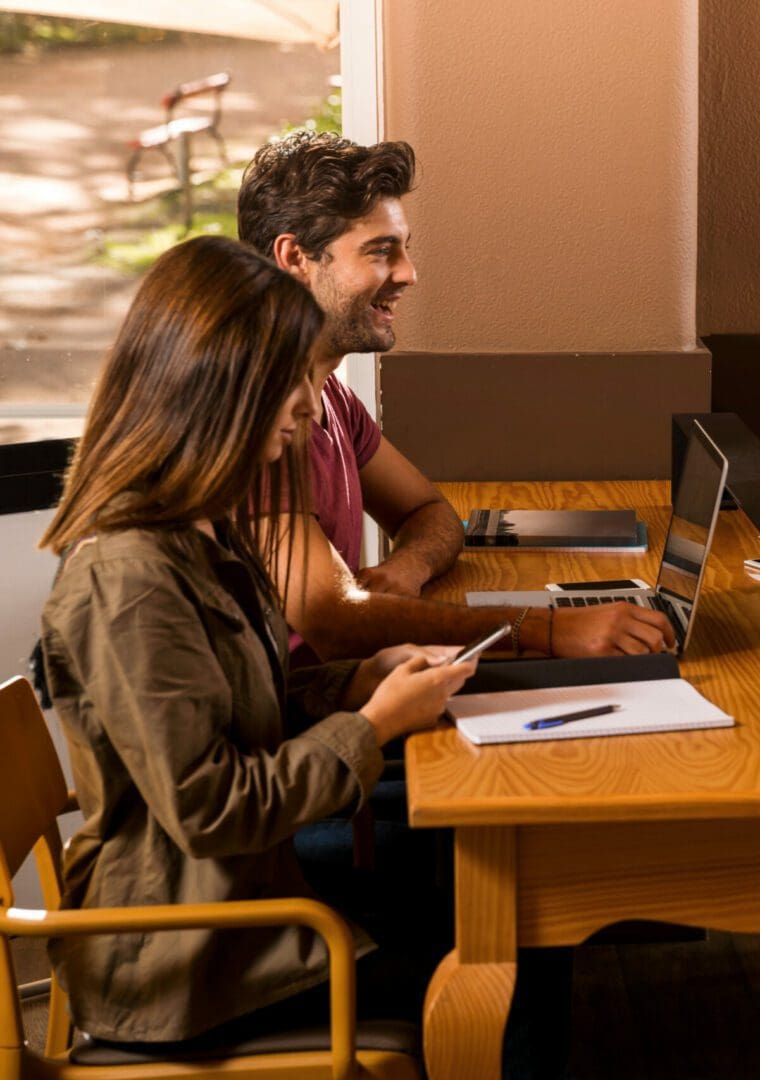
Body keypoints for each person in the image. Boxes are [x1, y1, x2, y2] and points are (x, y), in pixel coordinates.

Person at [36, 236, 476, 1046]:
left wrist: (353, 684)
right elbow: (212, 809)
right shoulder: (127, 579)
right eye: (292, 384)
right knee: (500, 952)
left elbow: (239, 706)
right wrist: (375, 723)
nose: (311, 409)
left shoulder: (204, 528)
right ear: (216, 387)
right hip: (189, 963)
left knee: (483, 898)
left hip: (246, 907)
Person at [237, 131, 672, 663]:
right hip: (308, 727)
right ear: (294, 257)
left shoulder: (332, 397)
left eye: (405, 249)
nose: (408, 274)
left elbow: (430, 512)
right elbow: (330, 620)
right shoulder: (258, 419)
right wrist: (545, 631)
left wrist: (407, 568)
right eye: (380, 251)